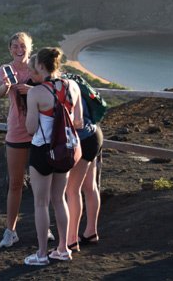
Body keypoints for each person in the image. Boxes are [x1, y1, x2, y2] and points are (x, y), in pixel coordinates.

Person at [23, 47, 83, 266]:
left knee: (41, 204)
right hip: (64, 150)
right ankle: (63, 249)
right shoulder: (73, 87)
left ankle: (41, 254)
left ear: (40, 66)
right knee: (60, 200)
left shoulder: (36, 92)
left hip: (42, 150)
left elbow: (30, 128)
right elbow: (78, 121)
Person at [0, 32, 36, 248]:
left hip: (40, 131)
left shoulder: (37, 67)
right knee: (15, 183)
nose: (19, 50)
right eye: (14, 46)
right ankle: (10, 231)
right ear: (9, 49)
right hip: (17, 130)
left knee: (42, 184)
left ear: (29, 47)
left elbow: (53, 87)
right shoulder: (5, 70)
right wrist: (7, 86)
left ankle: (44, 227)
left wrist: (32, 89)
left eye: (22, 46)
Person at [65, 83, 104, 252]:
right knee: (90, 186)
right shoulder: (74, 81)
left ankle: (71, 240)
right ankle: (91, 232)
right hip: (95, 134)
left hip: (82, 138)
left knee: (72, 191)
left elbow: (75, 120)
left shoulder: (59, 86)